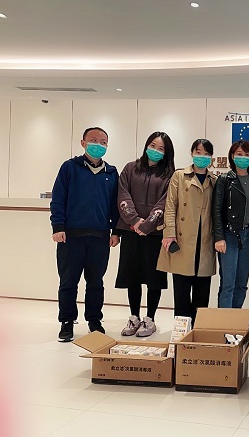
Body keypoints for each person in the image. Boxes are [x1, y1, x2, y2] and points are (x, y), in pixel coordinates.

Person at [50, 127, 120, 342]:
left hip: (100, 237)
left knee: (96, 282)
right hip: (71, 236)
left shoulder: (111, 172)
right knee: (68, 282)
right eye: (93, 140)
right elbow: (58, 198)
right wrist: (58, 227)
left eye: (103, 142)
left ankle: (94, 321)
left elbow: (115, 205)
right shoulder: (70, 168)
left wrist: (116, 231)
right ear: (83, 143)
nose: (98, 145)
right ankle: (67, 322)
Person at [115, 132, 175, 337]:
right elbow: (123, 194)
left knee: (153, 278)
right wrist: (134, 220)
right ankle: (134, 317)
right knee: (132, 275)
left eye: (161, 148)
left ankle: (150, 318)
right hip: (131, 231)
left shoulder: (169, 174)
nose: (156, 150)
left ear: (167, 153)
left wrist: (148, 224)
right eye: (153, 145)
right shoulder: (130, 168)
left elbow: (165, 202)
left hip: (155, 234)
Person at [157, 139, 216, 325]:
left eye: (206, 153)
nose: (202, 156)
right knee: (181, 292)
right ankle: (181, 332)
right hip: (183, 241)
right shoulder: (179, 176)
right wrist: (169, 233)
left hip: (205, 241)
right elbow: (170, 206)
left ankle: (197, 330)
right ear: (192, 153)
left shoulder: (214, 180)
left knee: (202, 293)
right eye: (198, 152)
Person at [212, 140, 249, 308]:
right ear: (232, 156)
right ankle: (225, 322)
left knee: (242, 284)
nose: (243, 157)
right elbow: (216, 210)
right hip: (230, 235)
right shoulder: (224, 180)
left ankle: (236, 319)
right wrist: (219, 237)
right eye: (239, 154)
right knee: (228, 284)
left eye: (247, 155)